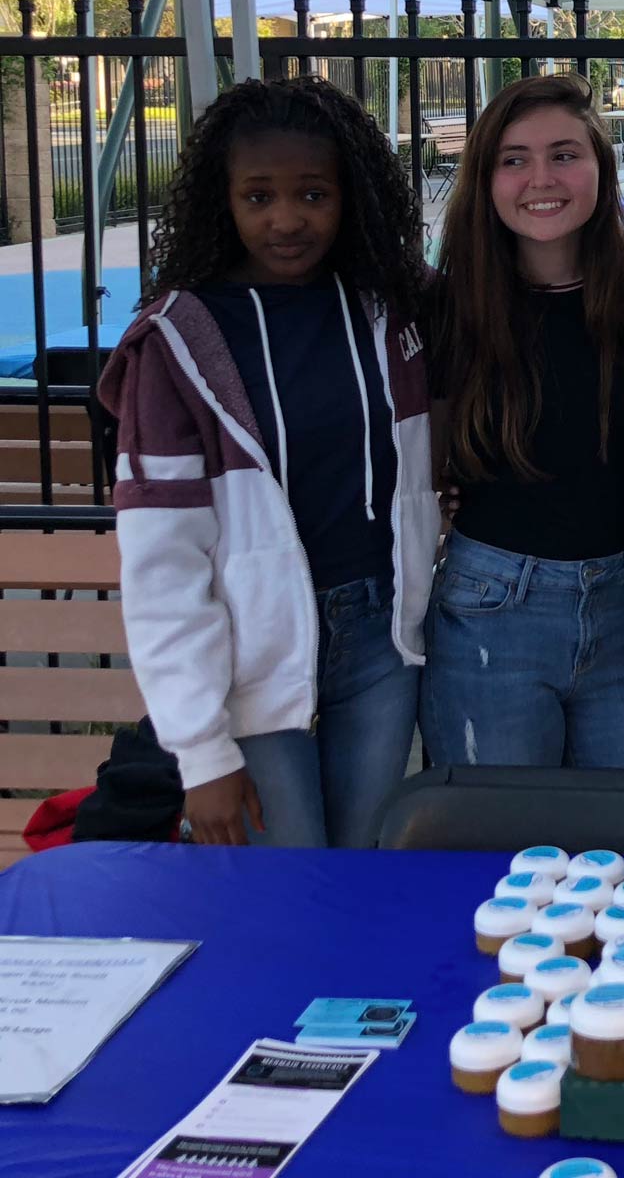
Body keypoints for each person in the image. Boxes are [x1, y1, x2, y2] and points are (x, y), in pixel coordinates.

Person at [99, 77, 437, 847]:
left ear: (351, 196)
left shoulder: (387, 306)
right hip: (253, 658)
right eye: (259, 198)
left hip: (379, 643)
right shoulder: (181, 343)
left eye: (313, 194)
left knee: (361, 875)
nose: (287, 220)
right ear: (225, 201)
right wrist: (201, 751)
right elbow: (162, 566)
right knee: (282, 886)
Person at [421, 74, 624, 772]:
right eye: (514, 159)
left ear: (600, 165)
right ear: (485, 176)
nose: (541, 178)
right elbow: (424, 455)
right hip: (491, 615)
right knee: (498, 852)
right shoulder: (452, 309)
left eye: (564, 154)